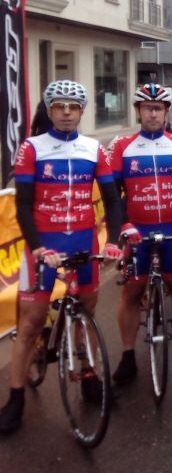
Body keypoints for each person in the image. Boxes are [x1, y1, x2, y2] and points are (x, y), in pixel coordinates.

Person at [0, 81, 123, 434]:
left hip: (83, 242)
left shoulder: (93, 149)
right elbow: (24, 204)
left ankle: (89, 377)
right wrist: (37, 246)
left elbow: (112, 200)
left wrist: (114, 241)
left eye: (73, 106)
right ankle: (15, 399)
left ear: (82, 111)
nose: (66, 112)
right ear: (50, 110)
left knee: (86, 313)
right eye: (59, 106)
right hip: (43, 246)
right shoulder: (32, 148)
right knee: (31, 323)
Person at [110, 83, 172, 385]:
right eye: (147, 108)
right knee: (131, 292)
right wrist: (123, 224)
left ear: (166, 111)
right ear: (138, 111)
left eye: (158, 108)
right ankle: (127, 357)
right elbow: (113, 193)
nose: (153, 114)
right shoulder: (123, 146)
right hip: (138, 231)